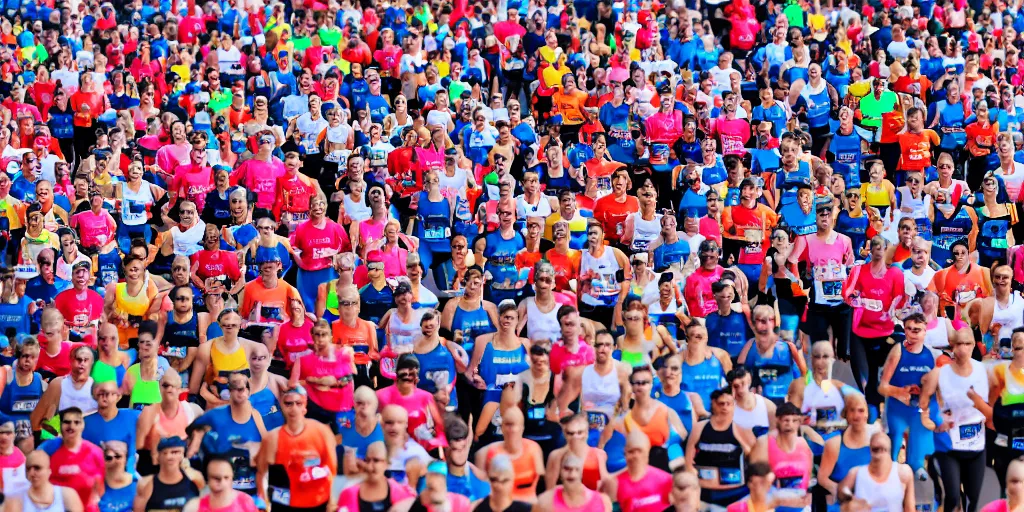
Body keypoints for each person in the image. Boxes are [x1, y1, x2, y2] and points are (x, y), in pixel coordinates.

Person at [919, 329, 988, 512]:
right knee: (953, 496)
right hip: (948, 447)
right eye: (959, 344)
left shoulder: (984, 371)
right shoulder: (939, 375)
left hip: (976, 446)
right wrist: (935, 424)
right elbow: (923, 409)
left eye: (967, 344)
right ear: (952, 347)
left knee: (974, 498)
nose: (963, 349)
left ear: (974, 345)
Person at [256, 385, 337, 512]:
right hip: (285, 503)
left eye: (298, 403)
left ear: (305, 406)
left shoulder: (322, 432)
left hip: (317, 501)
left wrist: (332, 503)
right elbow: (262, 473)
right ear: (282, 406)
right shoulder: (272, 439)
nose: (293, 409)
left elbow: (332, 470)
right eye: (289, 404)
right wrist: (263, 503)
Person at [686, 388, 757, 509]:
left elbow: (756, 459)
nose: (725, 407)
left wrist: (746, 450)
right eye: (721, 403)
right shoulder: (699, 428)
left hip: (735, 492)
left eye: (728, 404)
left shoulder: (742, 428)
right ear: (714, 403)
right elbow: (688, 460)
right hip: (704, 492)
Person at [839, 432, 916, 512]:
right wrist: (850, 500)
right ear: (870, 450)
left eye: (883, 449)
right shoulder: (856, 472)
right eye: (876, 450)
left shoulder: (903, 472)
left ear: (889, 451)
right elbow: (842, 494)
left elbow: (910, 507)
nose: (880, 454)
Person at [134, 436, 205, 512]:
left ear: (182, 454)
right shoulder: (146, 483)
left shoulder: (195, 478)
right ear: (158, 456)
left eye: (175, 452)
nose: (169, 457)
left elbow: (205, 504)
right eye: (165, 453)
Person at [5, 450, 84, 512]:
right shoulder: (16, 500)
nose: (32, 473)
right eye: (28, 469)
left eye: (37, 468)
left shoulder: (67, 495)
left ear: (49, 471)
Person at [532, 453, 612, 512]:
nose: (572, 474)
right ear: (560, 472)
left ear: (582, 472)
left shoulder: (602, 501)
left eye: (576, 469)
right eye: (567, 469)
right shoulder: (544, 501)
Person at [181, 456, 259, 512]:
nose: (223, 483)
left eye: (226, 477)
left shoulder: (245, 501)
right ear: (207, 479)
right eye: (216, 478)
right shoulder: (194, 507)